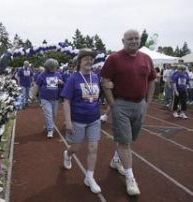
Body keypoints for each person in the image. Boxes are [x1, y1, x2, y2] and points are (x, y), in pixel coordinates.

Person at [101, 29, 156, 196]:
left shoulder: (146, 58)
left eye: (136, 38)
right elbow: (105, 81)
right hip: (121, 105)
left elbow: (152, 80)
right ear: (123, 40)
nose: (133, 41)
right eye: (130, 38)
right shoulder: (114, 58)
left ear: (140, 40)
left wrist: (148, 102)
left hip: (140, 105)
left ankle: (116, 160)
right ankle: (130, 179)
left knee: (130, 138)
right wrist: (113, 104)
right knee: (125, 142)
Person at [61, 49, 102, 193]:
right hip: (78, 119)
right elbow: (66, 101)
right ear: (80, 62)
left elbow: (98, 96)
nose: (89, 61)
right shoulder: (73, 78)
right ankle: (68, 154)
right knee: (75, 148)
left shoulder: (96, 77)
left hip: (94, 119)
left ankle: (89, 177)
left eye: (91, 59)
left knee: (93, 148)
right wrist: (68, 121)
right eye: (86, 59)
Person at [33, 58, 63, 138]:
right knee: (49, 114)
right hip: (45, 98)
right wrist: (34, 95)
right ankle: (50, 130)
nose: (54, 68)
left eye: (55, 67)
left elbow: (62, 84)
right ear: (48, 67)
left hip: (55, 98)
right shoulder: (42, 75)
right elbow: (37, 85)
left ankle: (48, 125)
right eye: (52, 67)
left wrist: (61, 82)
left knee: (53, 115)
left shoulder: (58, 74)